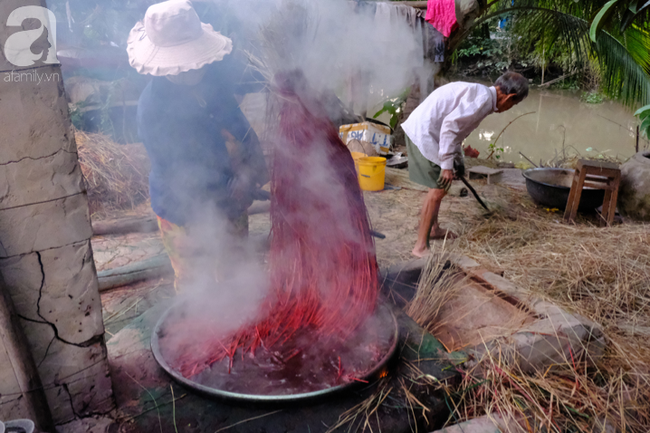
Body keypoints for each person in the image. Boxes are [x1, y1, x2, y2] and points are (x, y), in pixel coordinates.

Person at [127, 0, 268, 291]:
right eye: (183, 66)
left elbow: (240, 129)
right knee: (198, 284)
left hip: (234, 196)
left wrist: (249, 172)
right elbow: (182, 172)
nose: (194, 70)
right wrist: (230, 185)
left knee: (236, 272)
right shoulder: (153, 109)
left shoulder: (212, 80)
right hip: (186, 210)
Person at [401, 72, 529, 257]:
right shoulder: (483, 99)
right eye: (513, 104)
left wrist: (458, 159)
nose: (510, 108)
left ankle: (434, 228)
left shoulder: (482, 94)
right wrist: (446, 166)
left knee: (440, 187)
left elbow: (457, 132)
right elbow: (450, 127)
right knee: (437, 190)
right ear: (509, 97)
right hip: (424, 133)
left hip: (429, 131)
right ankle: (420, 247)